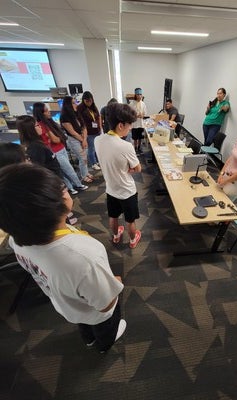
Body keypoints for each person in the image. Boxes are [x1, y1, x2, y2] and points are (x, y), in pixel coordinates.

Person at [0, 163, 126, 352]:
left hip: (66, 305)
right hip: (96, 312)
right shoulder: (84, 254)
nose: (64, 189)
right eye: (60, 189)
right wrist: (113, 283)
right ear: (54, 205)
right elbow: (105, 303)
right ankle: (104, 345)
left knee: (82, 323)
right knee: (104, 326)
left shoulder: (17, 240)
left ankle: (89, 341)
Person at [94, 103, 142, 249]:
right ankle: (133, 240)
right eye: (129, 125)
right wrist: (128, 168)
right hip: (127, 191)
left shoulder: (98, 140)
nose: (131, 128)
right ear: (120, 125)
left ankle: (115, 236)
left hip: (111, 189)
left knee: (113, 216)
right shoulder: (125, 146)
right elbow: (138, 168)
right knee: (130, 220)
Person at [33, 102, 88, 195]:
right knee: (67, 170)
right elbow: (55, 139)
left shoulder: (50, 121)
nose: (49, 112)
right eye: (46, 111)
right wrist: (60, 138)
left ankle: (72, 186)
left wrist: (60, 138)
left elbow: (58, 137)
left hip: (62, 148)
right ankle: (76, 185)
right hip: (55, 152)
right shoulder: (41, 125)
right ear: (41, 113)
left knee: (66, 169)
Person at [60, 96, 94, 184]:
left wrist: (85, 139)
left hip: (83, 137)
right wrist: (82, 140)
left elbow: (84, 127)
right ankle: (83, 176)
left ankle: (86, 173)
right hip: (74, 140)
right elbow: (72, 132)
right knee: (82, 158)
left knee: (85, 158)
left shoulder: (77, 113)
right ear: (68, 105)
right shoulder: (64, 116)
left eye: (76, 102)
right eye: (74, 103)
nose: (76, 104)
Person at [77, 91, 101, 171]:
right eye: (87, 101)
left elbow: (98, 116)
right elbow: (80, 121)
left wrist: (100, 127)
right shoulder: (80, 108)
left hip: (97, 130)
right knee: (91, 148)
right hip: (89, 132)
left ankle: (97, 161)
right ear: (83, 100)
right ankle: (93, 163)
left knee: (96, 147)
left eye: (90, 101)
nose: (89, 103)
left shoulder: (93, 106)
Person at [129, 88, 147, 153]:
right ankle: (135, 148)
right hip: (134, 124)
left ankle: (139, 147)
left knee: (140, 137)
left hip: (141, 123)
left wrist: (142, 115)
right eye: (138, 94)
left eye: (140, 94)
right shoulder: (132, 103)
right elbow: (129, 113)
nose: (139, 96)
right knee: (135, 138)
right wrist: (135, 115)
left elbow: (145, 113)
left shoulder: (143, 104)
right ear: (135, 95)